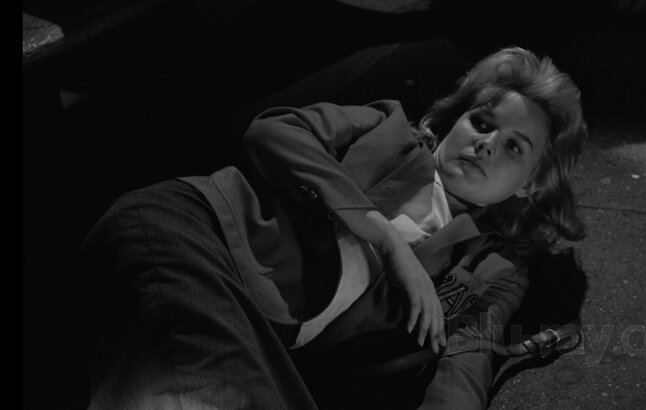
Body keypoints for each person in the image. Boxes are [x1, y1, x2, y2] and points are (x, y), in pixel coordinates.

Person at [78, 46, 587, 409]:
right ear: (456, 120)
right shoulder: (386, 126)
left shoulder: (496, 266)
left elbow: (468, 357)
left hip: (260, 339)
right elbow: (274, 130)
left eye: (514, 146)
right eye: (482, 122)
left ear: (531, 184)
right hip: (196, 234)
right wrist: (386, 239)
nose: (487, 143)